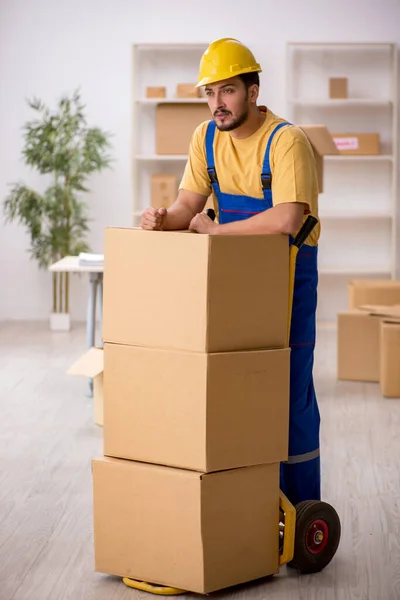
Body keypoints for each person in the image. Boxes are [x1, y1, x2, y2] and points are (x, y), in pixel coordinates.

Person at [141, 37, 321, 507]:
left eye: (227, 91)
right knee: (234, 388)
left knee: (287, 394)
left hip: (287, 279)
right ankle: (245, 506)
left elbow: (287, 219)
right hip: (231, 281)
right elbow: (188, 206)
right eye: (209, 93)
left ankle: (301, 510)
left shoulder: (287, 141)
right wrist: (164, 218)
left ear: (253, 91)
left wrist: (218, 233)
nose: (216, 104)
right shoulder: (204, 138)